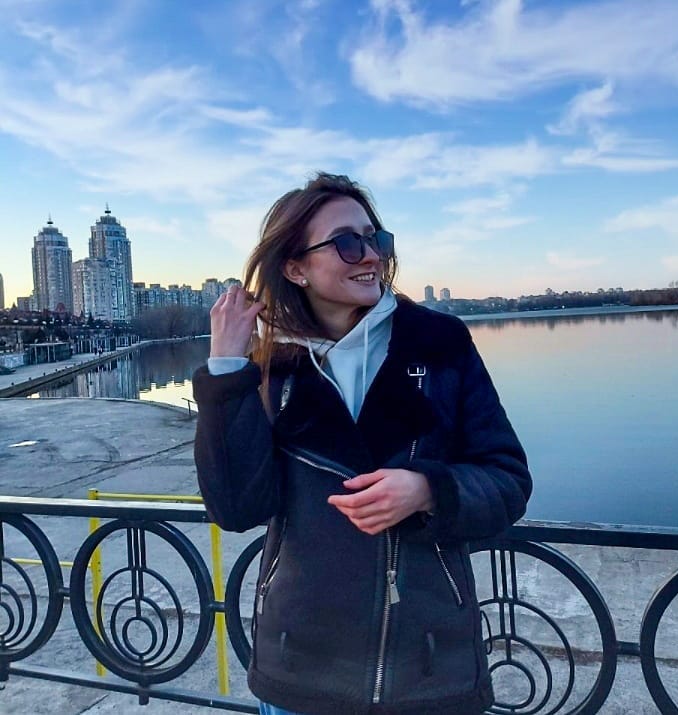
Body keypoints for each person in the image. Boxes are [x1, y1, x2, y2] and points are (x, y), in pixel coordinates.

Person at [193, 172, 531, 715]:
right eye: (347, 243)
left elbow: (508, 480)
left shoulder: (438, 343)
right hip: (300, 671)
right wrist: (227, 369)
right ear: (296, 268)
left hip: (428, 673)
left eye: (376, 239)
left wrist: (428, 490)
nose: (371, 255)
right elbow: (236, 508)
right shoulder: (272, 366)